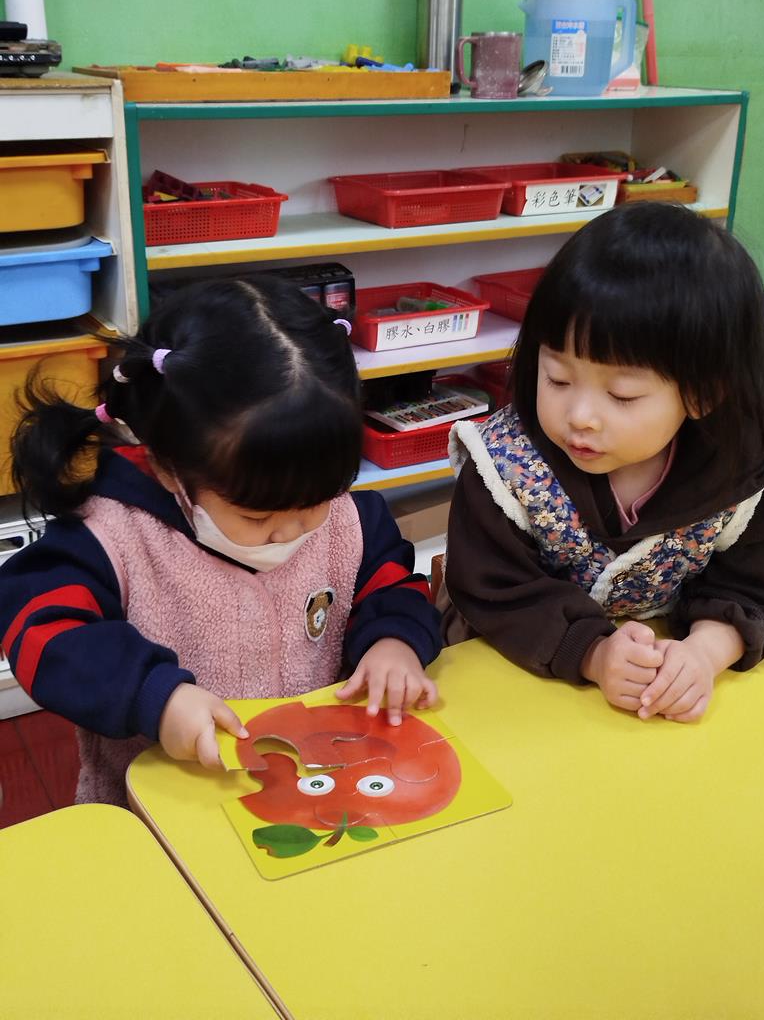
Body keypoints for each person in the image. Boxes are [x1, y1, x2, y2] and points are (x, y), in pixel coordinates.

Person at [0, 277, 442, 805]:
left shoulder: (351, 524)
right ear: (169, 469)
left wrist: (394, 640)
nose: (294, 530)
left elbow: (393, 586)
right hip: (162, 810)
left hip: (312, 789)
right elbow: (43, 631)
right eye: (258, 515)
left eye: (319, 499)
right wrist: (156, 698)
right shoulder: (109, 538)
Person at [442, 201, 764, 722]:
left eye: (621, 395)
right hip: (514, 669)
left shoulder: (736, 467)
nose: (580, 417)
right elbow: (493, 589)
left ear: (703, 395)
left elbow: (750, 582)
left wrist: (706, 651)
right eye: (558, 379)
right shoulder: (506, 466)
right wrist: (593, 653)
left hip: (650, 675)